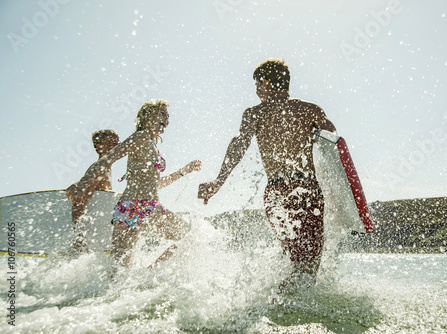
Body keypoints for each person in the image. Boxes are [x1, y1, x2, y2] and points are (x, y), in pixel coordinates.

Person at [198, 58, 336, 292]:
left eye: (257, 85)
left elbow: (238, 145)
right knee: (308, 264)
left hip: (276, 193)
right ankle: (286, 302)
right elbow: (334, 148)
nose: (256, 91)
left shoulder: (255, 113)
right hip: (306, 190)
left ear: (266, 83)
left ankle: (274, 300)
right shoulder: (310, 110)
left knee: (292, 257)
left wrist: (217, 182)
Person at [67, 99, 201, 267]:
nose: (166, 119)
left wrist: (183, 171)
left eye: (167, 115)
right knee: (190, 234)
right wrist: (83, 183)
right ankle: (149, 274)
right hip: (145, 207)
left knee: (118, 274)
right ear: (147, 116)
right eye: (162, 114)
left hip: (126, 210)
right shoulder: (141, 137)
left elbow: (156, 183)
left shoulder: (150, 144)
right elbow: (107, 159)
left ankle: (139, 282)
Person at [71, 129, 120, 252]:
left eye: (117, 143)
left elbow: (87, 184)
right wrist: (79, 238)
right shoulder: (100, 167)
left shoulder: (105, 168)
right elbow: (79, 201)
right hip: (92, 235)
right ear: (99, 146)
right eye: (112, 142)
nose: (117, 146)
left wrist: (76, 183)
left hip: (101, 230)